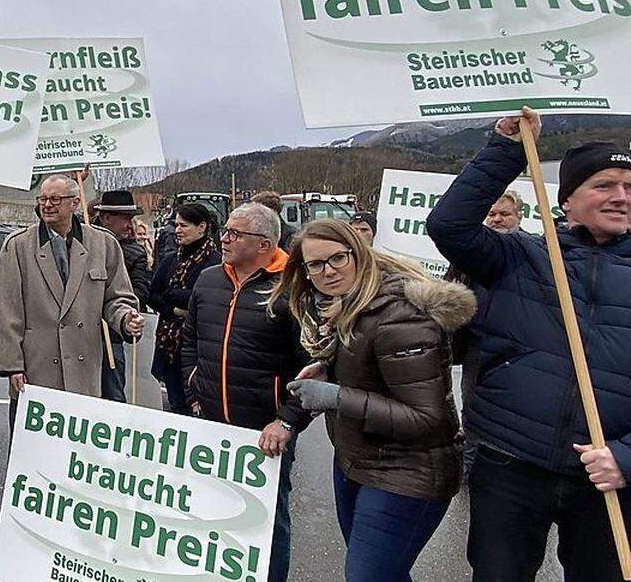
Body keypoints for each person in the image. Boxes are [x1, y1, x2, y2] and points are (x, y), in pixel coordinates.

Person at [426, 107, 631, 581]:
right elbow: (450, 226)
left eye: (630, 187)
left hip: (607, 480)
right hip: (510, 465)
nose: (621, 196)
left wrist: (625, 458)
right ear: (566, 200)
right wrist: (508, 149)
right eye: (604, 185)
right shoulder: (520, 257)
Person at [279, 219, 471, 582]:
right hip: (358, 461)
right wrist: (330, 372)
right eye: (315, 265)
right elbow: (375, 375)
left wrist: (336, 396)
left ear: (358, 252)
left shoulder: (400, 314)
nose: (328, 271)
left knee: (368, 576)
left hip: (409, 472)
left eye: (338, 258)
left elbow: (428, 419)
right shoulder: (350, 304)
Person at [181, 203, 313, 582]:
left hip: (264, 432)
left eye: (235, 234)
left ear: (264, 244)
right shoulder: (208, 280)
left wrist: (286, 421)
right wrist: (194, 387)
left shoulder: (293, 288)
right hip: (210, 423)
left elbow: (310, 367)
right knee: (210, 508)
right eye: (225, 231)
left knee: (268, 518)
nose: (224, 238)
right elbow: (191, 337)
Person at [0, 174, 144, 431]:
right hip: (36, 371)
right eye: (43, 199)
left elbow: (117, 298)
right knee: (33, 455)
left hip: (84, 374)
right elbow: (8, 313)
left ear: (75, 203)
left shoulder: (104, 244)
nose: (47, 205)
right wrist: (13, 367)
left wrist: (125, 318)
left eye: (55, 199)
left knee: (78, 457)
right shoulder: (17, 246)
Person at [442, 189, 523, 477]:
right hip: (476, 344)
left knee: (512, 408)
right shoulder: (469, 252)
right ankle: (469, 464)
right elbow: (449, 287)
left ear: (519, 217)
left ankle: (503, 467)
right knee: (472, 404)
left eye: (504, 214)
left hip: (517, 347)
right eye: (492, 214)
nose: (497, 219)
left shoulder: (530, 253)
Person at [147, 203, 220, 414]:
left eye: (184, 225)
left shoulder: (215, 264)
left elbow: (203, 299)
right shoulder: (172, 260)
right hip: (169, 346)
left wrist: (172, 295)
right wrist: (175, 310)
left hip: (197, 350)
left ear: (202, 227)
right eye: (176, 225)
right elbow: (153, 294)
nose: (177, 230)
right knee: (176, 405)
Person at [93, 189, 151, 403]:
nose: (130, 224)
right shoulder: (84, 242)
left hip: (112, 335)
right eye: (125, 218)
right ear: (106, 218)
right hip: (81, 338)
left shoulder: (135, 253)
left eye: (132, 218)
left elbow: (139, 295)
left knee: (113, 396)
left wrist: (117, 308)